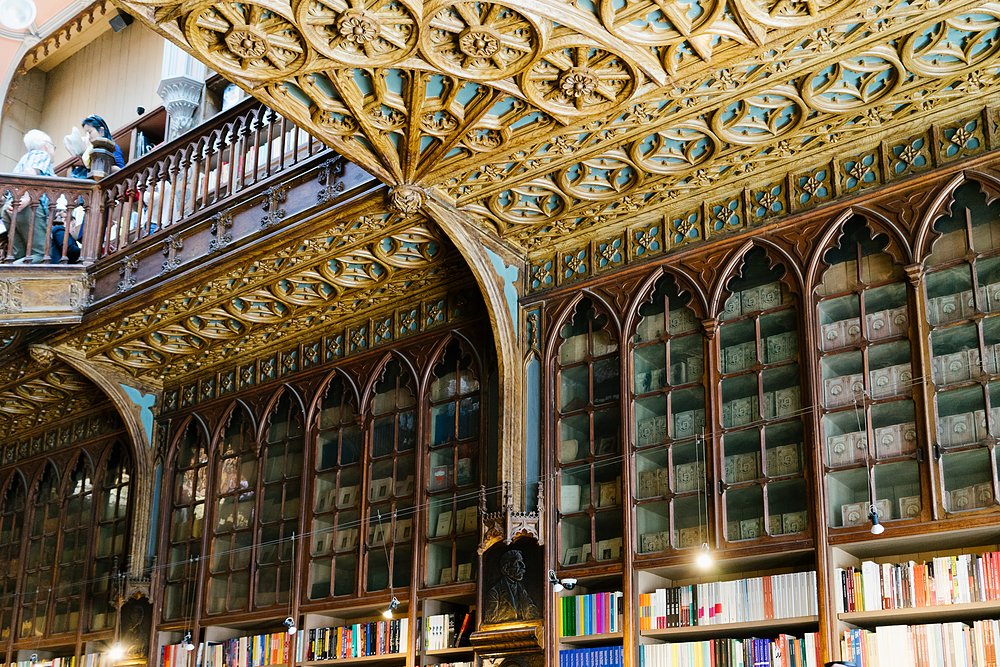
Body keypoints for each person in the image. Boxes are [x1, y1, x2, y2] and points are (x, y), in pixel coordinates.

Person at [2, 129, 55, 263]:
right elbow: (30, 172)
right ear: (46, 144)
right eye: (53, 146)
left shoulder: (23, 158)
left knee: (19, 255)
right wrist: (26, 197)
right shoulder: (41, 154)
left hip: (11, 207)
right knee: (41, 255)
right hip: (28, 208)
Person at [482, 550, 541, 624]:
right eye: (518, 563)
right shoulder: (494, 593)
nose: (523, 567)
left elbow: (532, 610)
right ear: (506, 569)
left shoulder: (522, 589)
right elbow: (490, 621)